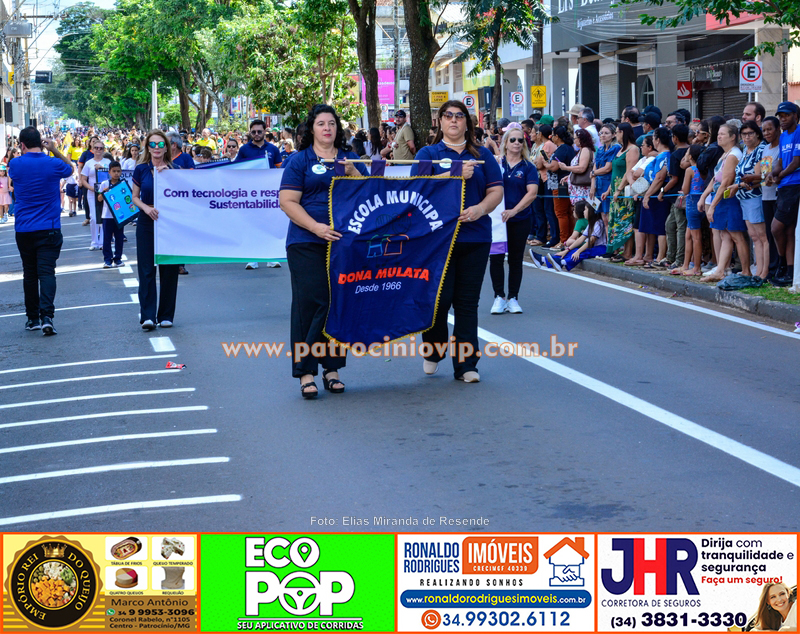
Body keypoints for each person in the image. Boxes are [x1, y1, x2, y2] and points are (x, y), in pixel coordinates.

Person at [412, 100, 504, 383]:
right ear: (439, 122)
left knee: (467, 302)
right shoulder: (428, 153)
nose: (453, 120)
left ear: (467, 122)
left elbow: (496, 191)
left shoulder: (482, 156)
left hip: (474, 238)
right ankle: (433, 350)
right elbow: (416, 188)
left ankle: (467, 365)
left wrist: (481, 209)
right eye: (448, 116)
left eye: (459, 116)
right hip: (437, 240)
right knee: (439, 300)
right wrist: (452, 173)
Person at [279, 104, 367, 398]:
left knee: (337, 302)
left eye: (332, 123)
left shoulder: (350, 158)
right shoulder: (299, 160)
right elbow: (288, 201)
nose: (327, 128)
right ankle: (305, 372)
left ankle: (332, 368)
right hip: (306, 241)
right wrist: (316, 227)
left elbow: (371, 191)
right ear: (311, 129)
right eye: (321, 123)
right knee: (313, 302)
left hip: (344, 243)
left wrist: (354, 172)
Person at [9, 127, 74, 335]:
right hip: (50, 227)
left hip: (25, 228)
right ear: (41, 141)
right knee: (47, 273)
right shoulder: (53, 163)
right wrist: (54, 149)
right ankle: (47, 316)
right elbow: (70, 168)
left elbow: (14, 177)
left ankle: (32, 318)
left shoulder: (15, 164)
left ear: (22, 144)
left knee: (30, 273)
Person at [132, 129, 180, 331]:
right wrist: (146, 208)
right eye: (153, 144)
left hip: (170, 225)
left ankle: (166, 315)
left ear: (167, 147)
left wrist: (168, 175)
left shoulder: (175, 169)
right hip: (146, 223)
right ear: (147, 147)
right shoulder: (141, 169)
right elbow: (135, 197)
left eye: (161, 144)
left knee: (169, 269)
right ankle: (148, 316)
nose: (157, 148)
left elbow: (182, 196)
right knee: (146, 270)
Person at [489, 127, 538, 315]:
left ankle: (513, 298)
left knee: (516, 259)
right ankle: (498, 297)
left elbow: (531, 193)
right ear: (505, 143)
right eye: (513, 140)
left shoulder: (528, 167)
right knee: (496, 258)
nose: (517, 143)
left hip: (520, 219)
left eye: (520, 140)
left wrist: (514, 211)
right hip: (497, 220)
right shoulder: (496, 164)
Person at [698, 123, 750, 283]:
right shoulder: (725, 154)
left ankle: (746, 271)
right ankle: (721, 269)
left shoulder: (734, 155)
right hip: (721, 197)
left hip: (729, 199)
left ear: (733, 137)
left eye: (722, 134)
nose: (718, 136)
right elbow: (715, 178)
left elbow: (725, 181)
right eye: (718, 133)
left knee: (736, 235)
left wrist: (712, 205)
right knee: (725, 234)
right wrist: (704, 196)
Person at [728, 120, 769, 280]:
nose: (746, 137)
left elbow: (761, 177)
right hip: (743, 197)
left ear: (757, 134)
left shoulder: (761, 150)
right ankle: (758, 270)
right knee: (754, 237)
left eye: (750, 133)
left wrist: (737, 186)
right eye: (743, 134)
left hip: (755, 196)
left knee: (762, 236)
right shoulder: (745, 150)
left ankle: (764, 271)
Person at [768, 102, 800, 287]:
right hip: (784, 186)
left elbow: (796, 162)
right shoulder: (784, 137)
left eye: (786, 115)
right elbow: (781, 162)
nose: (782, 119)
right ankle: (788, 270)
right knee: (787, 231)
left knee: (776, 227)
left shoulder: (798, 132)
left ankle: (781, 263)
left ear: (795, 115)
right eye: (780, 116)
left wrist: (779, 175)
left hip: (794, 185)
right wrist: (773, 173)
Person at [533, 200, 606, 272]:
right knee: (573, 251)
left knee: (583, 252)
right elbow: (581, 239)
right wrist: (566, 250)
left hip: (601, 248)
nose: (583, 212)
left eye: (585, 209)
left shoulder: (598, 224)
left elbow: (591, 241)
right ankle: (542, 260)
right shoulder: (591, 224)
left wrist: (578, 251)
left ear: (591, 212)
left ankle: (562, 262)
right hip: (594, 247)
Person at [603, 123, 640, 259]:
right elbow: (615, 172)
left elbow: (628, 172)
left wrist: (619, 189)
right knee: (616, 220)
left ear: (623, 133)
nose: (616, 134)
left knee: (625, 220)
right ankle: (617, 249)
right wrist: (609, 190)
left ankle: (628, 252)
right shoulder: (620, 149)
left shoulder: (633, 149)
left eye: (617, 132)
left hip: (625, 190)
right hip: (615, 189)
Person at [639, 127, 674, 267]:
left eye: (653, 137)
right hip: (655, 191)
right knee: (654, 226)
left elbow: (659, 178)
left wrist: (647, 195)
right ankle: (655, 256)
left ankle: (660, 257)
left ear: (658, 140)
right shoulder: (661, 155)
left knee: (660, 227)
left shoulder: (664, 156)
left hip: (659, 194)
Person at [675, 144, 706, 275]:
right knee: (689, 234)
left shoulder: (690, 170)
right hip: (703, 201)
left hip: (692, 201)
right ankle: (686, 264)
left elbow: (686, 189)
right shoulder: (705, 169)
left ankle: (696, 268)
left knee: (695, 236)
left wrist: (683, 190)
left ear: (691, 156)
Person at [530, 124, 560, 248]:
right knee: (543, 209)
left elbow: (541, 163)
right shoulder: (541, 145)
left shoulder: (546, 145)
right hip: (542, 179)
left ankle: (550, 236)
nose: (535, 135)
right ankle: (544, 235)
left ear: (540, 134)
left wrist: (536, 162)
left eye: (536, 132)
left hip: (546, 179)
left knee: (547, 209)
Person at [546, 126, 576, 248]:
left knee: (561, 213)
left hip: (560, 185)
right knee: (567, 212)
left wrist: (544, 163)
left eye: (553, 135)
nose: (552, 137)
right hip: (566, 184)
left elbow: (554, 167)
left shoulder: (562, 149)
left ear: (557, 136)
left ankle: (563, 240)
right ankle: (568, 239)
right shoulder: (568, 148)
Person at [760, 116, 782, 279]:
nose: (766, 133)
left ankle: (781, 267)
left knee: (778, 233)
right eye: (764, 130)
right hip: (766, 196)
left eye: (769, 129)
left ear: (778, 129)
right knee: (769, 233)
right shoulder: (766, 149)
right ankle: (772, 268)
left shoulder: (782, 147)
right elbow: (764, 173)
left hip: (778, 196)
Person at [80, 136, 111, 251]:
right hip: (92, 193)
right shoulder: (88, 163)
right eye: (96, 148)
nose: (98, 150)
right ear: (92, 149)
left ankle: (103, 241)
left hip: (105, 192)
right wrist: (90, 188)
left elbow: (113, 175)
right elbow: (83, 179)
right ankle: (94, 241)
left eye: (101, 148)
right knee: (93, 217)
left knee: (103, 217)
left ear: (103, 150)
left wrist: (102, 168)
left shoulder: (107, 162)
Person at [591, 123, 621, 224]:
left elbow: (607, 168)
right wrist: (592, 186)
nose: (603, 135)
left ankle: (610, 239)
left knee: (608, 215)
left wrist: (593, 173)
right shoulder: (600, 149)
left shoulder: (616, 148)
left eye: (606, 133)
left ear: (613, 135)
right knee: (601, 215)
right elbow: (595, 167)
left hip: (607, 183)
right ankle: (604, 239)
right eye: (601, 133)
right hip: (598, 184)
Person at [98, 160, 125, 268]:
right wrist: (104, 192)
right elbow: (99, 199)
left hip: (120, 215)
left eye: (118, 171)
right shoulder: (105, 184)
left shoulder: (123, 183)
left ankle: (118, 258)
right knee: (107, 238)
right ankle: (107, 259)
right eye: (114, 171)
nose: (116, 173)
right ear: (109, 172)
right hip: (107, 215)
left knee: (119, 238)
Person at [559, 128, 594, 211]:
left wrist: (566, 168)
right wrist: (570, 175)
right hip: (578, 188)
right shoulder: (581, 150)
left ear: (580, 139)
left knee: (582, 212)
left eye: (574, 138)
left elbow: (582, 168)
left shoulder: (585, 149)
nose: (573, 140)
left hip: (583, 189)